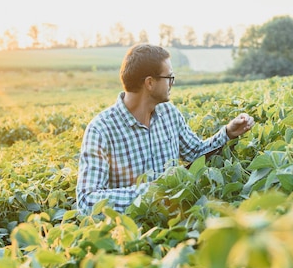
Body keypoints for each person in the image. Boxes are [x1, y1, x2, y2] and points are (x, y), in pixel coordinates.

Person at [76, 43, 254, 215]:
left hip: (174, 221)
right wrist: (152, 191)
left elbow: (195, 153)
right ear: (150, 83)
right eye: (169, 77)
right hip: (130, 235)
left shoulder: (169, 113)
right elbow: (87, 201)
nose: (172, 83)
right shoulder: (101, 130)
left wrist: (228, 132)